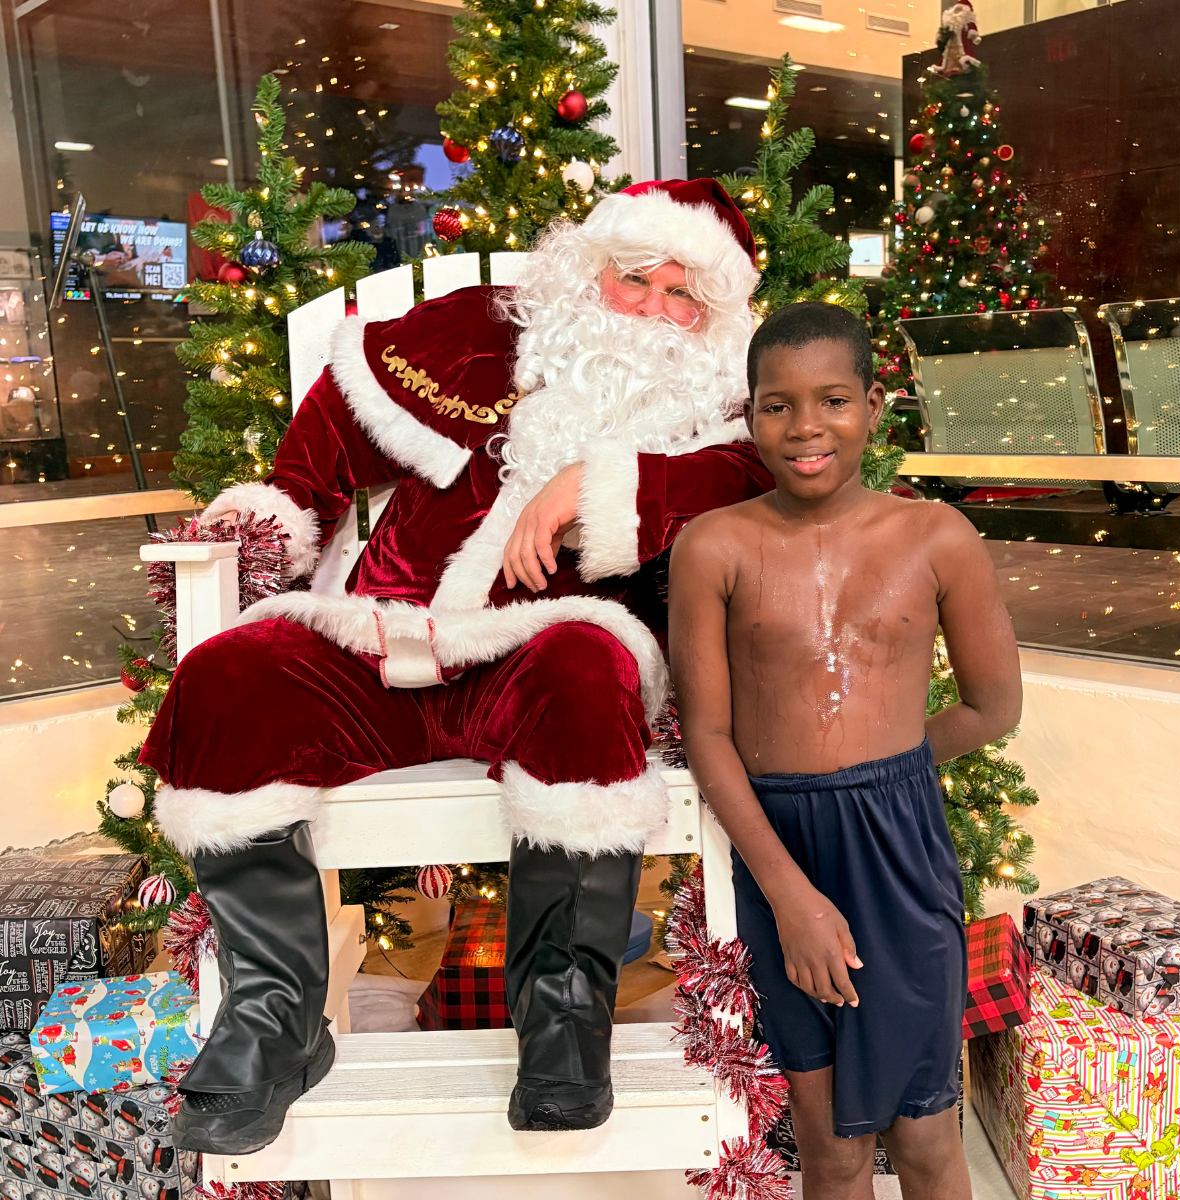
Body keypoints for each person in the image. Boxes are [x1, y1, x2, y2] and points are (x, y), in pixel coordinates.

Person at [140, 178, 775, 1154]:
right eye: (637, 278)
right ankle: (273, 1021)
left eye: (686, 295)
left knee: (586, 671)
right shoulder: (473, 334)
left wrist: (595, 484)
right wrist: (275, 519)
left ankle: (565, 1019)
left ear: (718, 316)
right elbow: (330, 428)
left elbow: (761, 475)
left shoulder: (726, 401)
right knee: (227, 678)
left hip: (549, 656)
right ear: (587, 270)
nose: (655, 309)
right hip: (380, 638)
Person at [668, 302, 1022, 1200]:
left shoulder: (936, 537)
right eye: (776, 406)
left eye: (831, 400)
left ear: (872, 404)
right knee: (827, 1149)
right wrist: (790, 895)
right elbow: (707, 734)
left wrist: (887, 773)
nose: (806, 427)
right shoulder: (713, 546)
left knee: (927, 1136)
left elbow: (992, 706)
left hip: (901, 853)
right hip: (775, 846)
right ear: (749, 416)